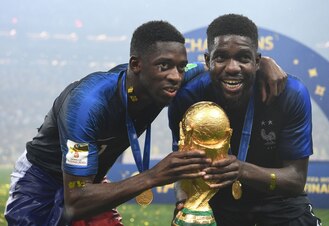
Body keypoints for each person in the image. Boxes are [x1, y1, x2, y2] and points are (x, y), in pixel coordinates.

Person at [5, 20, 285, 226]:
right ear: (136, 65)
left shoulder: (169, 81)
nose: (175, 76)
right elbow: (75, 201)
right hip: (42, 181)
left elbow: (220, 68)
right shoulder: (87, 104)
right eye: (164, 66)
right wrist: (154, 176)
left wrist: (263, 64)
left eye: (179, 66)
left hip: (88, 182)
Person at [169, 14, 321, 226]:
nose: (232, 67)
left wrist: (241, 169)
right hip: (216, 199)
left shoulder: (290, 94)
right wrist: (185, 199)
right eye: (221, 57)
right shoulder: (189, 97)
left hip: (279, 201)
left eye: (243, 58)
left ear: (257, 61)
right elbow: (184, 165)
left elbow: (295, 180)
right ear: (207, 61)